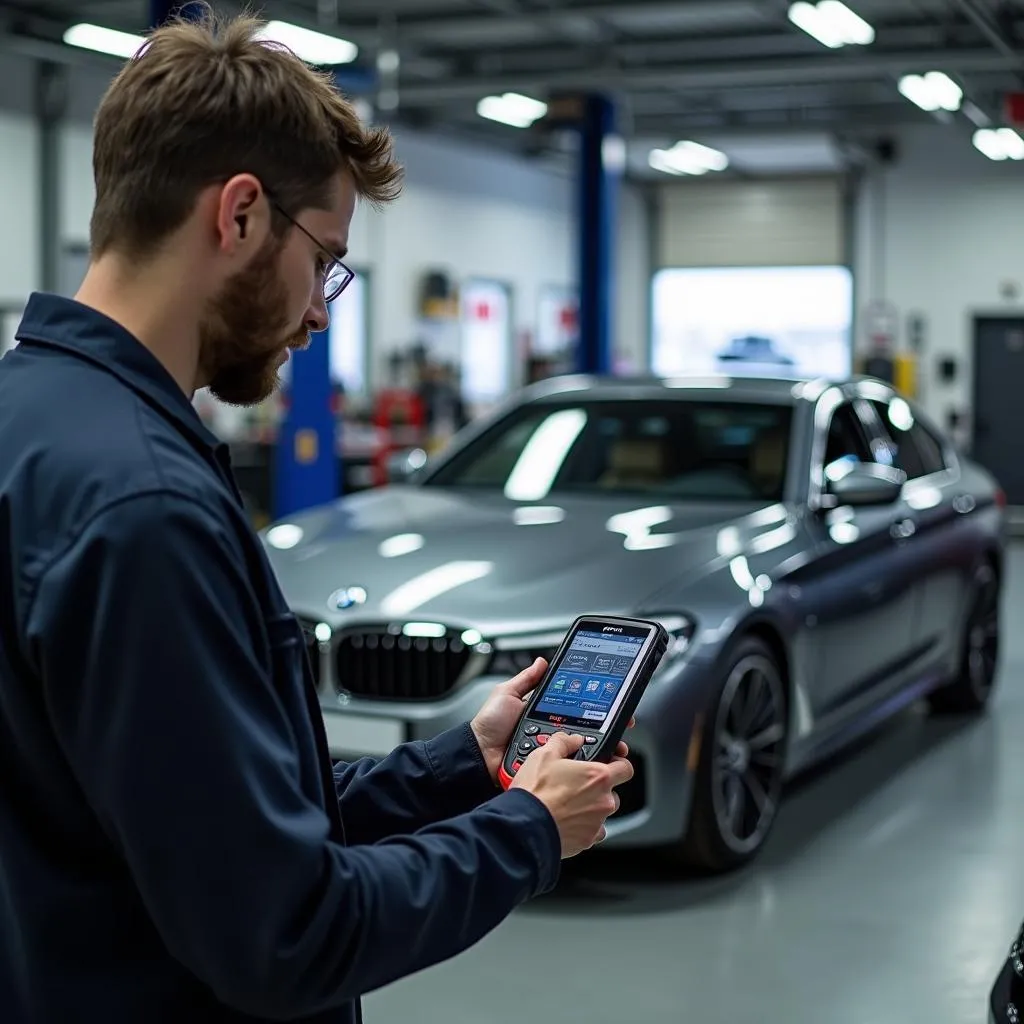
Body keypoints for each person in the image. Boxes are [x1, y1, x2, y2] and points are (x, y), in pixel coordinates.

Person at [0, 10, 633, 1023]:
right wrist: (527, 829)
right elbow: (285, 931)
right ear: (239, 215)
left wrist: (459, 766)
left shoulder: (29, 419)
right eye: (326, 258)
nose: (322, 309)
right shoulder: (146, 506)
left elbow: (215, 817)